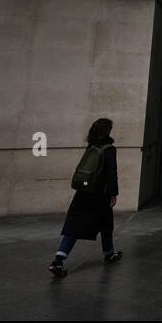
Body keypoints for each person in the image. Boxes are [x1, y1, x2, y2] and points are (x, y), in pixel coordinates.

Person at [48, 118, 122, 277]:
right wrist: (113, 193)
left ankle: (58, 260)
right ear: (107, 130)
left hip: (83, 193)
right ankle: (108, 254)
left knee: (75, 226)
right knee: (106, 223)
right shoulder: (109, 149)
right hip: (99, 195)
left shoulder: (92, 145)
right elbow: (111, 174)